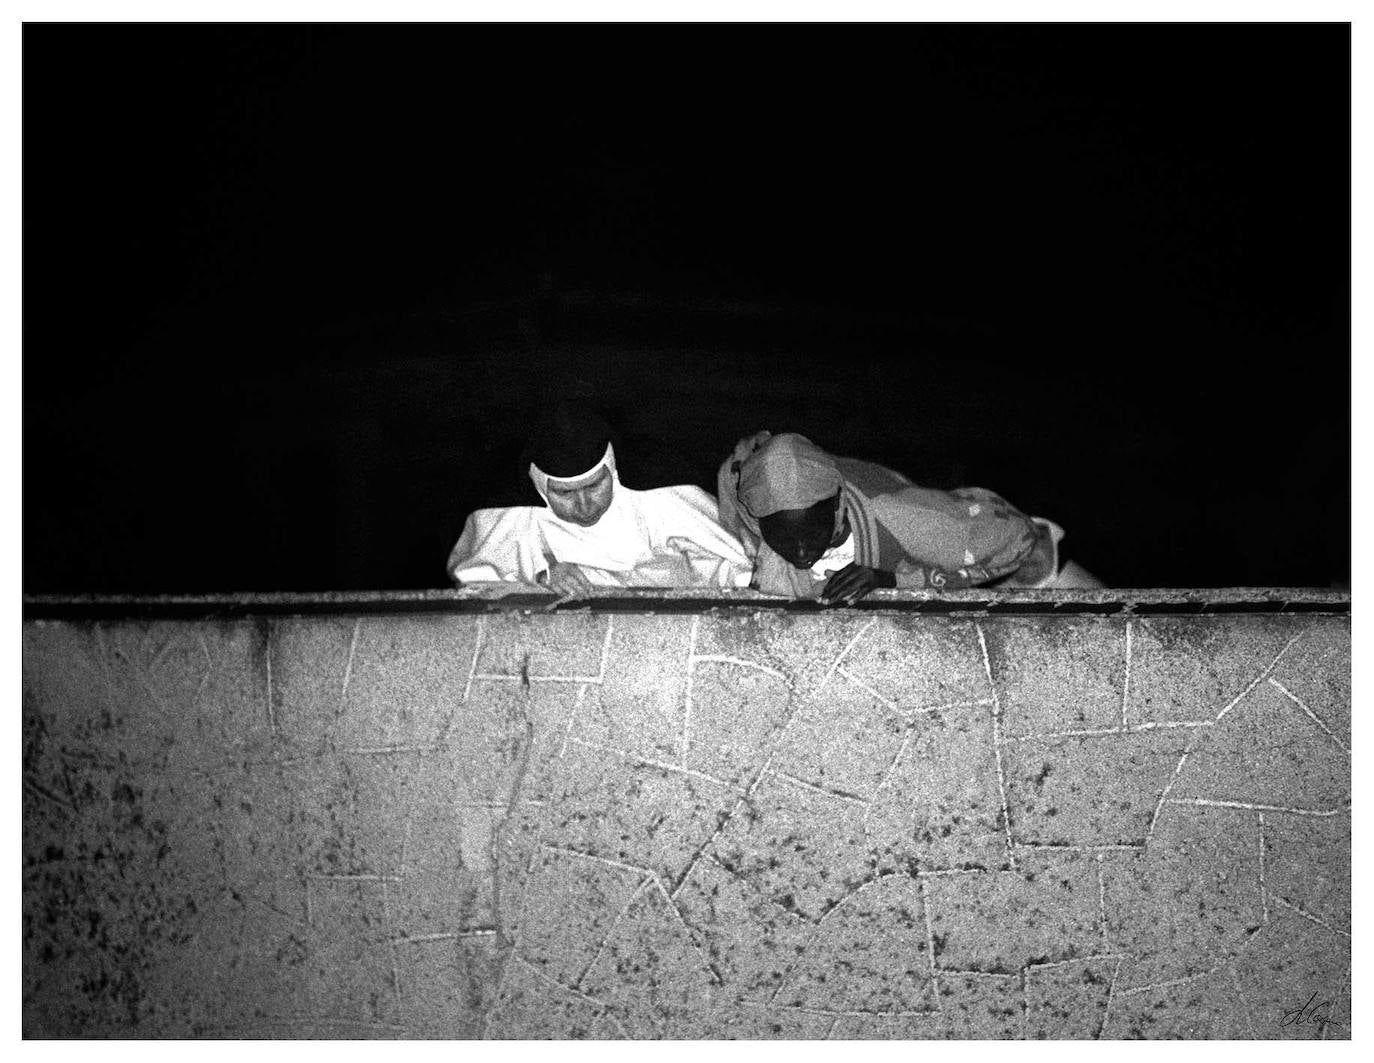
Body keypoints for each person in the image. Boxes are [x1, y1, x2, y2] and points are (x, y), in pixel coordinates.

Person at [717, 430, 1103, 605]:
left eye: (812, 534)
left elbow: (1015, 539)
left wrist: (895, 580)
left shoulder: (905, 519)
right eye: (783, 538)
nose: (800, 552)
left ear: (836, 508)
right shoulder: (752, 500)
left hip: (1015, 556)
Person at [448, 403, 752, 597]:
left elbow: (732, 565)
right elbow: (476, 585)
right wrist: (540, 576)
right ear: (540, 488)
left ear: (612, 472)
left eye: (594, 486)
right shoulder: (515, 514)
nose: (584, 505)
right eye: (564, 493)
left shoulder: (659, 496)